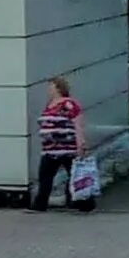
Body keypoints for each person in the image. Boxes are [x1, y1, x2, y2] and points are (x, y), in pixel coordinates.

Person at [30, 76, 85, 211]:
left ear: (59, 88)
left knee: (75, 175)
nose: (49, 89)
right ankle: (40, 204)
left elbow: (77, 123)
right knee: (45, 177)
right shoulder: (50, 104)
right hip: (50, 150)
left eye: (51, 86)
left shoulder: (68, 104)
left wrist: (80, 143)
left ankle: (82, 203)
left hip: (67, 149)